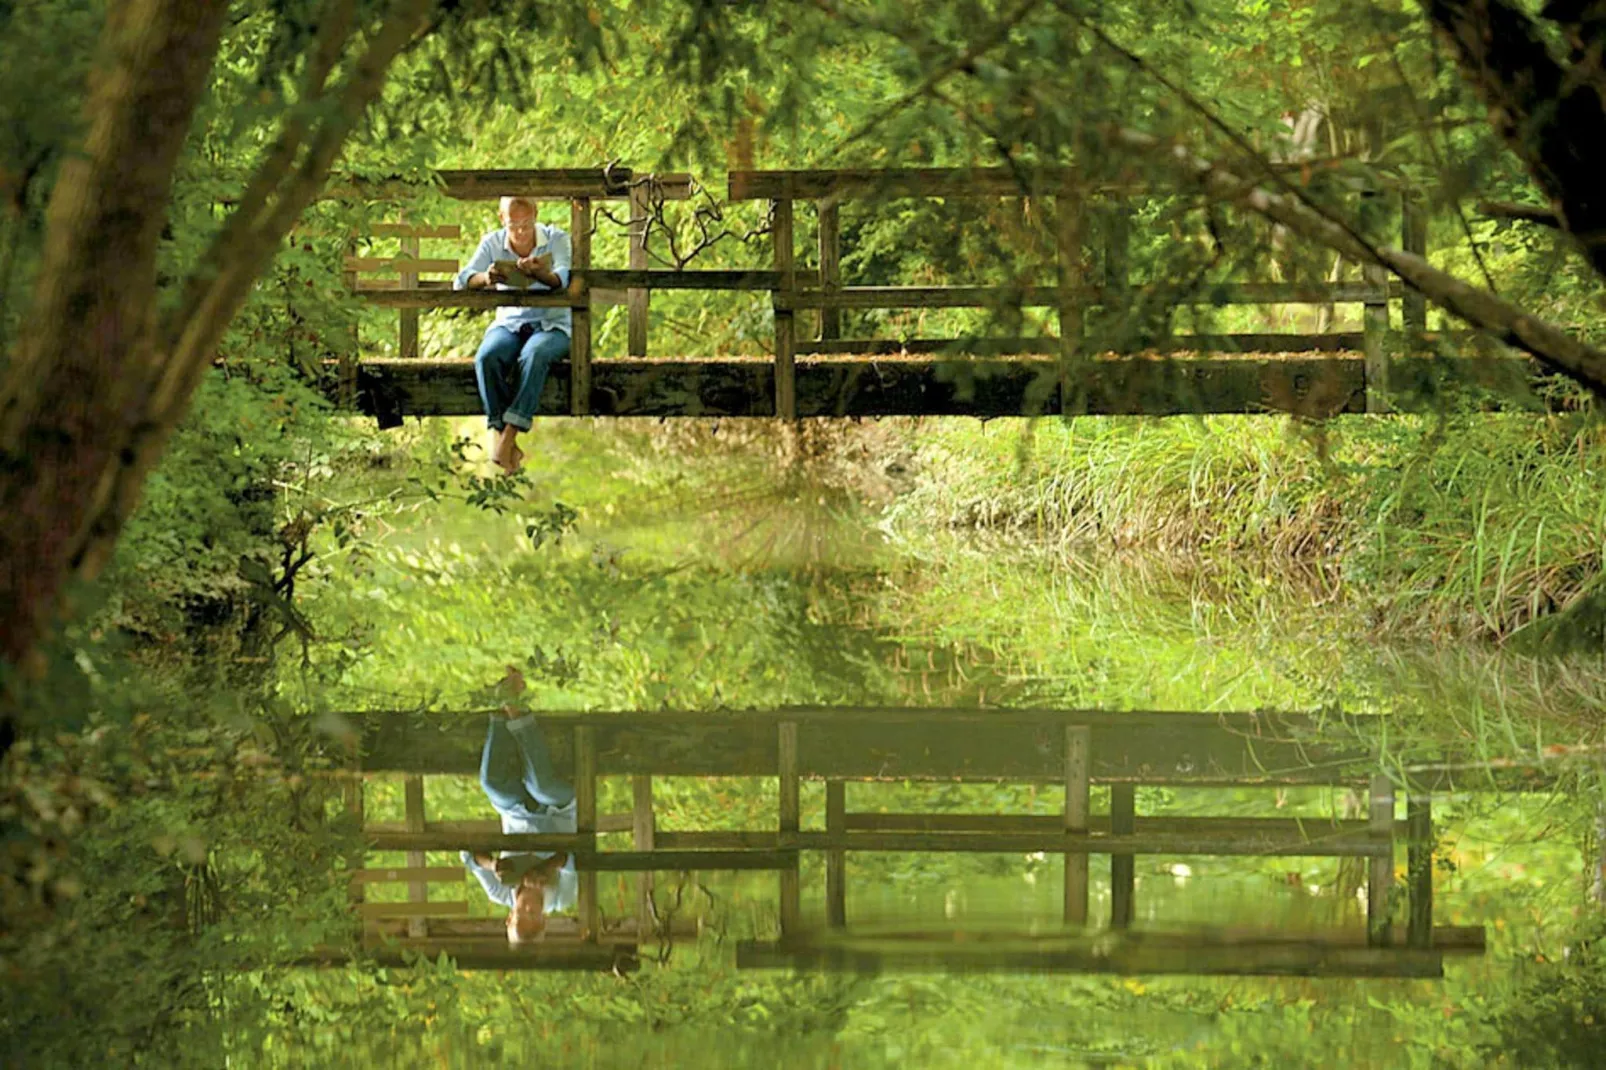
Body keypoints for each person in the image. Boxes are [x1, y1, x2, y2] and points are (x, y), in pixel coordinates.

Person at [454, 196, 573, 474]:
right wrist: (487, 278)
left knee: (535, 354)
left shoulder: (557, 238)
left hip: (551, 324)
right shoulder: (492, 242)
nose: (520, 231)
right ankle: (502, 434)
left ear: (536, 215)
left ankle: (507, 436)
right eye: (513, 225)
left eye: (526, 224)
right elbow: (462, 280)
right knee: (487, 357)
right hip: (509, 323)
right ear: (501, 219)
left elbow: (562, 278)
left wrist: (541, 274)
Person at [460, 711, 578, 945]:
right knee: (541, 786)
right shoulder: (562, 898)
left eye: (521, 916)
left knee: (492, 785)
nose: (527, 909)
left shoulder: (500, 892)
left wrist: (492, 865)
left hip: (516, 813)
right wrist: (547, 867)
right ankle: (518, 714)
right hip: (559, 810)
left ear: (509, 917)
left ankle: (499, 715)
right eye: (533, 917)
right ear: (544, 920)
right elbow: (576, 860)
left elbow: (468, 856)